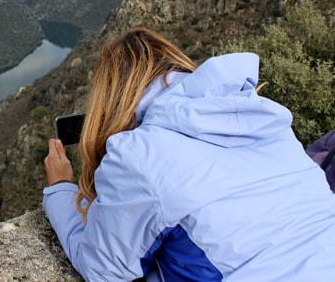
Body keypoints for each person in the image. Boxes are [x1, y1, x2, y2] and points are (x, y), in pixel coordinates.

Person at [43, 28, 335, 281]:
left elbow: (103, 270)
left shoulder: (137, 156)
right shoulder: (263, 116)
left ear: (112, 96)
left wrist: (59, 189)